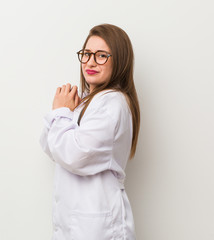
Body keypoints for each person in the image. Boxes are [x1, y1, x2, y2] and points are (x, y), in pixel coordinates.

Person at [40, 23, 141, 240]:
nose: (91, 62)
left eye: (101, 55)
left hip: (98, 227)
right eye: (86, 54)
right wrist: (65, 112)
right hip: (77, 224)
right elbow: (51, 147)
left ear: (120, 60)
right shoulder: (86, 101)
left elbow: (74, 155)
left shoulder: (112, 102)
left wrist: (61, 112)